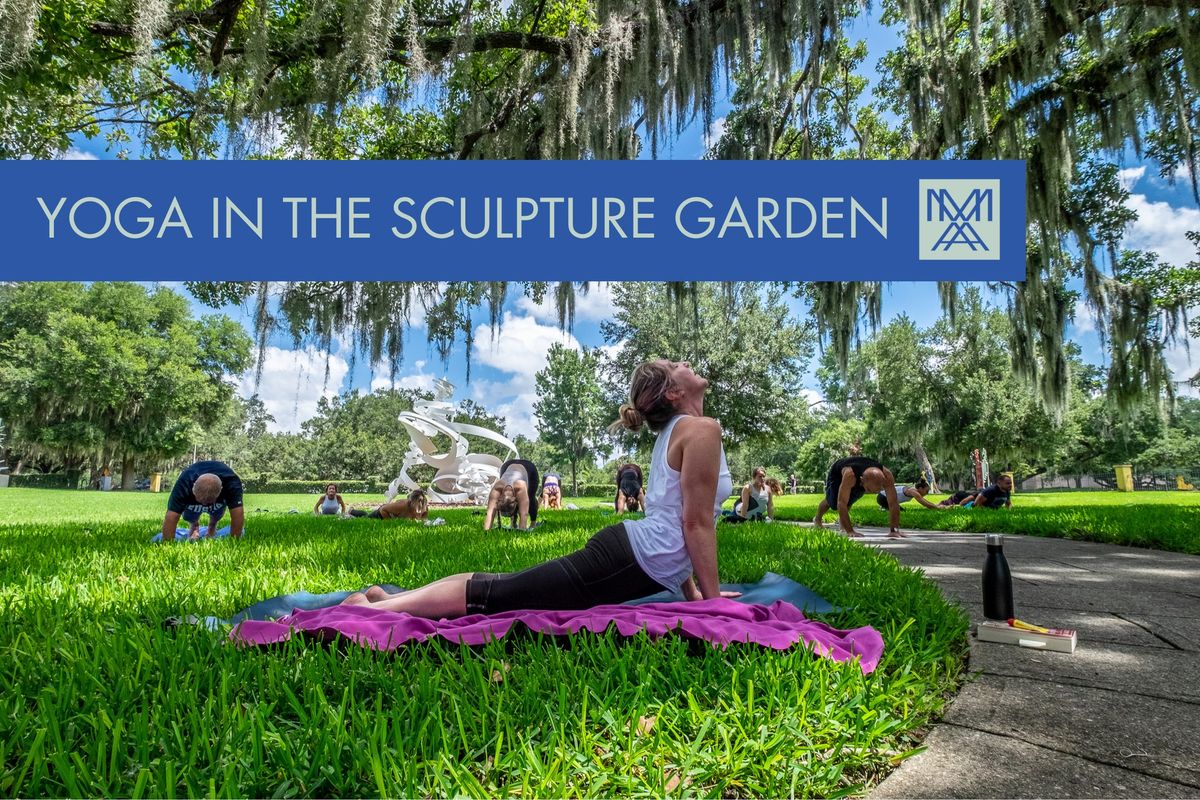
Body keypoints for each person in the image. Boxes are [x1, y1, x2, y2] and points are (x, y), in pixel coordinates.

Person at [341, 359, 739, 617]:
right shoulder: (701, 430)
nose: (684, 362)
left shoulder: (684, 430)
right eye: (675, 365)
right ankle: (381, 610)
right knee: (501, 595)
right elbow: (694, 524)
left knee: (508, 585)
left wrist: (697, 597)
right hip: (632, 556)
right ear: (673, 392)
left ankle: (386, 599)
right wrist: (715, 603)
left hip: (638, 552)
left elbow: (677, 518)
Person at [813, 455, 905, 539]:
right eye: (869, 490)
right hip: (837, 473)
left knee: (851, 498)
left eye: (877, 490)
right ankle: (817, 519)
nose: (872, 493)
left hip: (861, 475)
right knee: (832, 502)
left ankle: (842, 523)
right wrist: (850, 531)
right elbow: (841, 503)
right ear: (862, 480)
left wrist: (894, 530)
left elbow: (893, 503)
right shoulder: (850, 475)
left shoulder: (887, 476)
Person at [161, 460, 244, 541]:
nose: (204, 505)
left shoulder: (232, 484)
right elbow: (171, 516)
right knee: (189, 513)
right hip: (191, 486)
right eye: (200, 500)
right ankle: (194, 525)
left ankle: (212, 525)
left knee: (217, 509)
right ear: (193, 488)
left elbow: (237, 514)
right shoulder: (184, 483)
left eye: (208, 502)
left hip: (220, 494)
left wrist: (234, 541)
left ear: (221, 491)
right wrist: (168, 543)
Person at [484, 458, 539, 530]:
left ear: (516, 502)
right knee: (519, 503)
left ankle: (533, 524)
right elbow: (490, 512)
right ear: (499, 498)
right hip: (507, 465)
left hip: (529, 467)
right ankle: (513, 524)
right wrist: (486, 531)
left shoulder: (520, 486)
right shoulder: (497, 487)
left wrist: (522, 530)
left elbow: (524, 514)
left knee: (530, 498)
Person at [348, 489, 429, 520]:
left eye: (422, 502)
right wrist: (389, 522)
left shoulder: (425, 507)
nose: (420, 504)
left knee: (366, 515)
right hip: (381, 513)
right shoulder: (402, 505)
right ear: (411, 502)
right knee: (366, 517)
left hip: (394, 516)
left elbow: (423, 519)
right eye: (418, 502)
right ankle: (352, 511)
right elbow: (383, 509)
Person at [876, 478, 943, 511]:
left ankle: (885, 508)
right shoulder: (913, 491)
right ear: (920, 488)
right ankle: (884, 508)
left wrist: (935, 505)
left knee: (902, 511)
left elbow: (924, 500)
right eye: (926, 491)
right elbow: (924, 503)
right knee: (900, 512)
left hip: (887, 499)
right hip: (883, 498)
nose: (927, 493)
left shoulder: (913, 491)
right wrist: (938, 507)